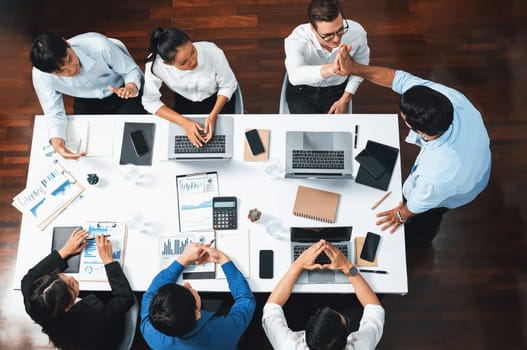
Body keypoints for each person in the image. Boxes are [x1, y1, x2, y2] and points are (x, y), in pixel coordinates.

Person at [335, 48, 491, 242]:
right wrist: (354, 68)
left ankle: (418, 240)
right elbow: (397, 79)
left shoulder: (438, 174)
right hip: (475, 156)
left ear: (420, 131)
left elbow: (419, 203)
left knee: (424, 222)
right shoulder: (448, 99)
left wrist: (400, 215)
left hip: (461, 185)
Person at [31, 32, 146, 159]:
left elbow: (130, 70)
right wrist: (57, 142)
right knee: (89, 150)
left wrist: (130, 86)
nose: (71, 69)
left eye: (69, 59)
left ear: (67, 43)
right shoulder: (41, 76)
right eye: (60, 71)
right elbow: (54, 113)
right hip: (86, 101)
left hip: (121, 93)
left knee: (139, 139)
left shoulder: (100, 46)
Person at [21, 228, 135, 350]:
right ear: (68, 306)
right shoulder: (94, 318)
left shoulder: (31, 296)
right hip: (107, 335)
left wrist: (65, 251)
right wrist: (108, 261)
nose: (71, 277)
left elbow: (29, 277)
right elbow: (125, 298)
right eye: (71, 285)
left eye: (60, 275)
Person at [262, 240, 384, 349]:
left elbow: (271, 309)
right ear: (346, 339)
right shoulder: (360, 345)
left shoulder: (289, 345)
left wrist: (298, 264)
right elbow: (375, 309)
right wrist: (347, 266)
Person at [140, 242, 255, 349]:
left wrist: (184, 259)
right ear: (197, 314)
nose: (187, 284)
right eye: (188, 290)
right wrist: (222, 258)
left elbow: (149, 295)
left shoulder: (151, 334)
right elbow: (246, 300)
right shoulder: (224, 332)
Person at [142, 27, 238, 148]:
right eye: (183, 62)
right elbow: (150, 101)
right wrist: (183, 122)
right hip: (185, 103)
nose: (193, 61)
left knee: (226, 144)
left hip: (218, 101)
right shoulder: (155, 66)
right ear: (168, 64)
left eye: (193, 51)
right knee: (185, 145)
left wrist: (213, 116)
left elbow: (228, 85)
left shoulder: (213, 52)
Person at [284, 0, 370, 114]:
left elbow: (361, 65)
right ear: (313, 29)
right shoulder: (297, 38)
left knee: (337, 130)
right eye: (328, 35)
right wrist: (331, 68)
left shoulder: (357, 33)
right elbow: (295, 76)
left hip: (337, 90)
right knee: (307, 131)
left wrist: (345, 99)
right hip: (302, 91)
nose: (336, 39)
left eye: (340, 30)